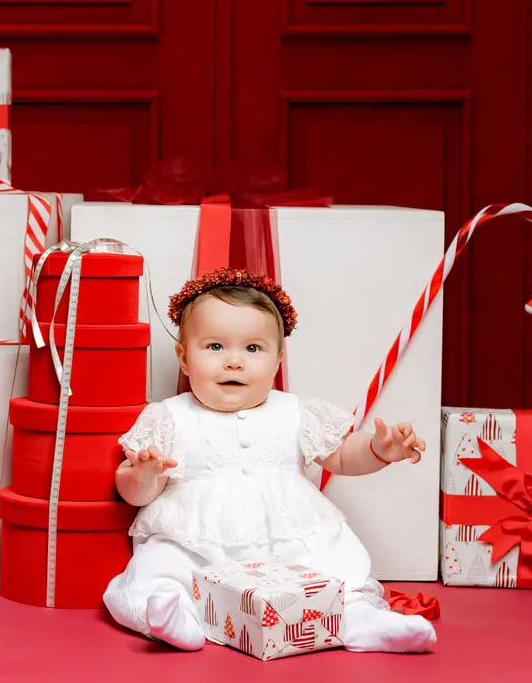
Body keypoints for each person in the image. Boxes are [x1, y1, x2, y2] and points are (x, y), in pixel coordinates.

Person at [102, 268, 437, 653]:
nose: (234, 362)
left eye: (253, 349)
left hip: (287, 539)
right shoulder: (169, 416)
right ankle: (175, 617)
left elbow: (341, 455)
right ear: (184, 358)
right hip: (197, 540)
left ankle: (358, 620)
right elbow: (133, 492)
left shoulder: (295, 411)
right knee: (163, 564)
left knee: (332, 557)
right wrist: (144, 473)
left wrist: (379, 450)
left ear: (277, 360)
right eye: (214, 347)